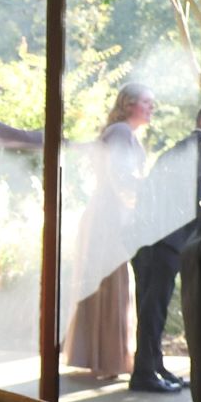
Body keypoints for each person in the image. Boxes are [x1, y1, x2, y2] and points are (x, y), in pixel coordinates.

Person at [129, 101, 201, 393]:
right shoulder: (198, 149)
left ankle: (154, 365)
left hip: (158, 238)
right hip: (161, 239)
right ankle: (143, 374)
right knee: (153, 307)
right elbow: (198, 197)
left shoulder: (197, 147)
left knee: (154, 306)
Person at [64, 82, 154, 380]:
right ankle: (103, 360)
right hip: (109, 216)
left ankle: (104, 358)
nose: (151, 107)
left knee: (111, 283)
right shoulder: (120, 133)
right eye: (146, 102)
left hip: (111, 213)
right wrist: (147, 196)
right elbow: (121, 178)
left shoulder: (124, 133)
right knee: (109, 282)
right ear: (128, 104)